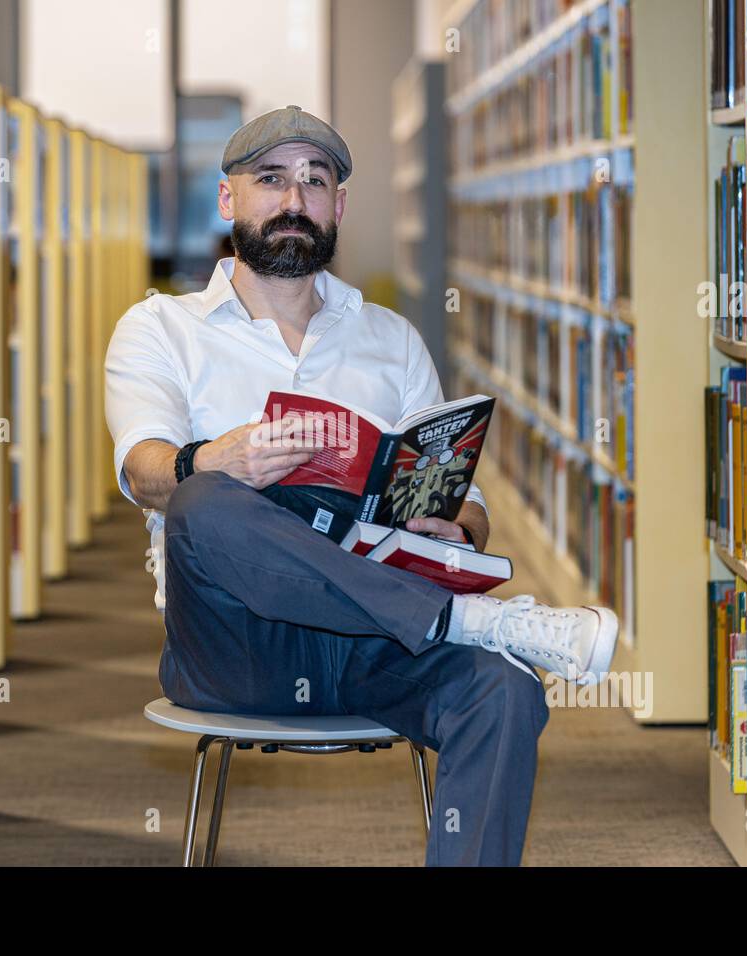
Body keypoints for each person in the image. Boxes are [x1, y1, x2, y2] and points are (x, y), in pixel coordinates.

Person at [104, 105, 618, 866]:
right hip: (237, 642)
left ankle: (454, 625)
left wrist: (458, 528)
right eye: (270, 180)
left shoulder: (392, 339)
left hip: (380, 637)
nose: (293, 200)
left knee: (505, 695)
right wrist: (215, 460)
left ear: (338, 206)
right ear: (228, 199)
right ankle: (469, 621)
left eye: (316, 182)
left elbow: (462, 497)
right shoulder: (159, 328)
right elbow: (143, 469)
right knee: (203, 500)